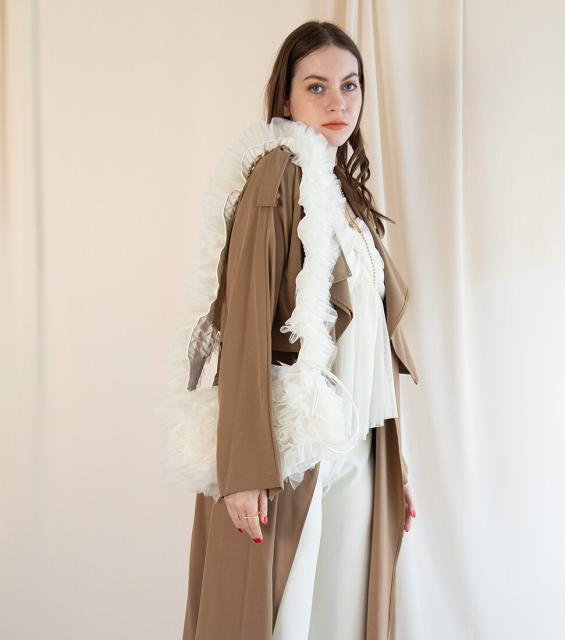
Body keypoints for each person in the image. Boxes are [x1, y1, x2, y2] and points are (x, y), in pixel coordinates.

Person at [175, 20, 420, 640]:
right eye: (317, 87)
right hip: (294, 446)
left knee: (340, 617)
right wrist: (243, 468)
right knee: (283, 618)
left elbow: (373, 341)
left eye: (350, 85)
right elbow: (247, 320)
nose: (338, 102)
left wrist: (394, 467)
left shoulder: (343, 194)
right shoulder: (279, 175)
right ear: (286, 98)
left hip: (356, 445)